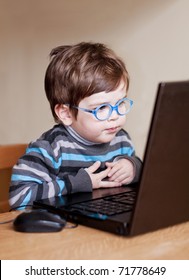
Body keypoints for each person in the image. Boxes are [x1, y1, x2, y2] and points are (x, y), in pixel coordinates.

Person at [9, 42, 142, 209]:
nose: (115, 116)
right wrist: (76, 184)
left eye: (121, 103)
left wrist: (133, 168)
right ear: (66, 113)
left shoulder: (121, 139)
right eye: (101, 108)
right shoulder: (51, 149)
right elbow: (20, 196)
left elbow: (139, 178)